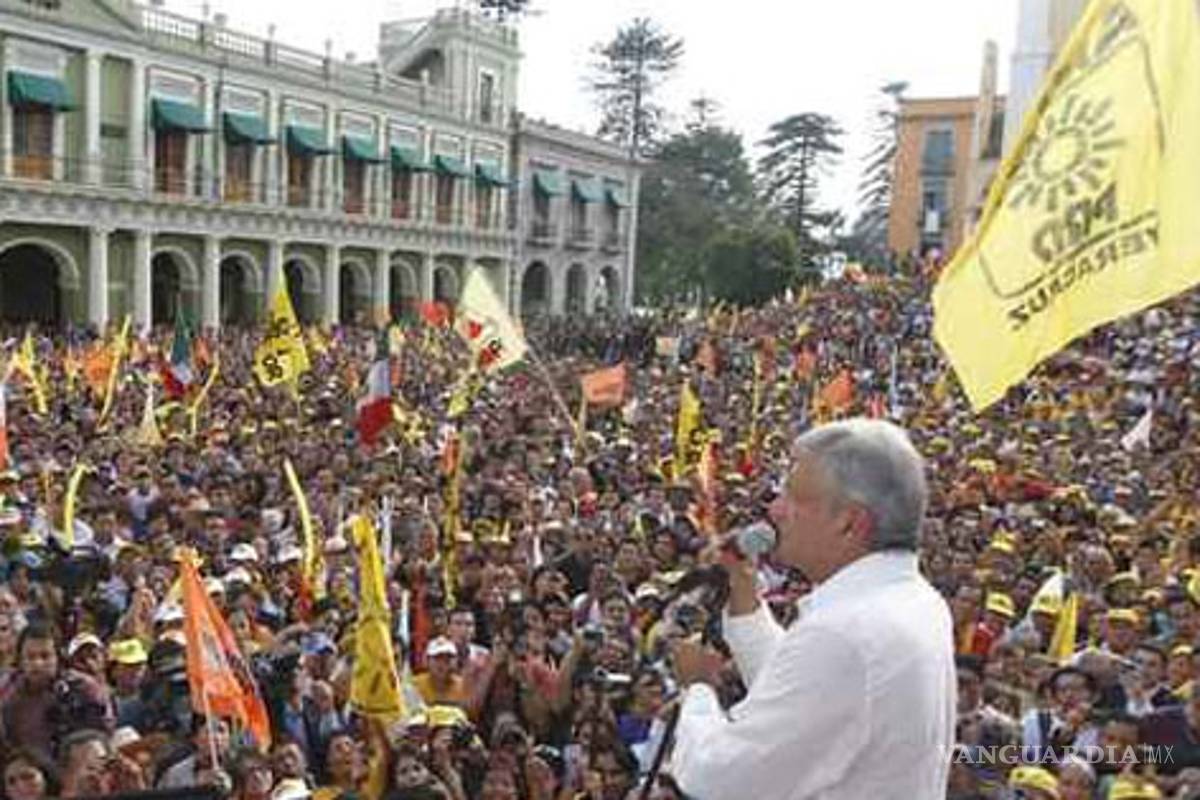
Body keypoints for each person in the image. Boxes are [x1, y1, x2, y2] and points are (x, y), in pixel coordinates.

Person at [668, 419, 956, 798]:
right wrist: (743, 590)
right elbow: (805, 695)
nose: (774, 510)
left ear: (850, 522)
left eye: (793, 498)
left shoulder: (845, 633)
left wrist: (698, 689)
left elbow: (719, 780)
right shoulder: (912, 600)